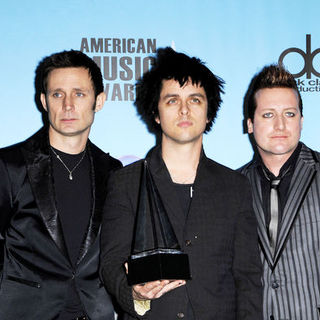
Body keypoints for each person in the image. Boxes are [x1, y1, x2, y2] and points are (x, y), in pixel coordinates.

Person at [100, 47, 262, 320]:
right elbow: (111, 264)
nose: (184, 109)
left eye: (195, 100)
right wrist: (136, 295)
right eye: (172, 100)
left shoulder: (235, 186)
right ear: (156, 113)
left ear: (209, 112)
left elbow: (247, 279)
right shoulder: (127, 183)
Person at [0, 50, 122, 320]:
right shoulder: (9, 166)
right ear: (44, 101)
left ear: (99, 101)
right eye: (57, 94)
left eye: (79, 94)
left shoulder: (113, 172)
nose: (68, 105)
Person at [239, 64, 320, 320]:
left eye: (289, 114)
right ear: (250, 124)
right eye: (268, 115)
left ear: (302, 121)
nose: (281, 125)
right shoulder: (232, 186)